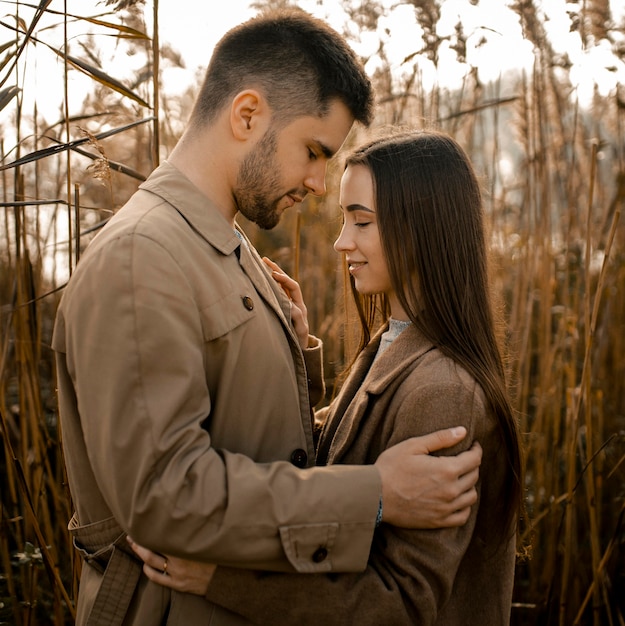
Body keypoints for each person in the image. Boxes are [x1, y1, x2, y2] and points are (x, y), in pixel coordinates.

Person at [52, 9, 482, 626]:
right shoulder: (141, 256)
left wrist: (294, 347)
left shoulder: (225, 247)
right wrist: (376, 496)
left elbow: (255, 439)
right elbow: (163, 496)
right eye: (312, 152)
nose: (315, 181)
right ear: (248, 114)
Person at [129, 130, 525, 625]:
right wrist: (295, 353)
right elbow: (330, 455)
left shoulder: (442, 390)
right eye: (344, 220)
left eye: (362, 221)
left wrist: (217, 577)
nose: (342, 243)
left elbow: (398, 605)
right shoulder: (392, 344)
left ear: (425, 227)